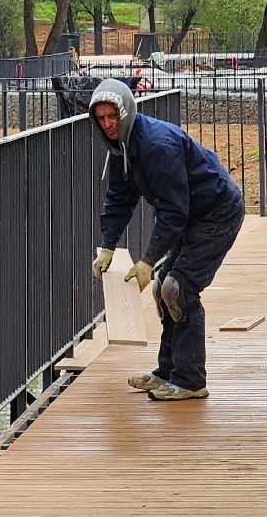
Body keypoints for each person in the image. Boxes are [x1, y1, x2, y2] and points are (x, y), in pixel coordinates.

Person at [88, 78, 244, 401]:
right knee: (162, 286)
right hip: (193, 214)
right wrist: (106, 247)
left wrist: (146, 260)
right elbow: (119, 199)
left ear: (125, 112)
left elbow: (174, 211)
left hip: (217, 212)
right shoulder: (121, 148)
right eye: (101, 119)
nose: (107, 125)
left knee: (179, 288)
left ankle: (190, 380)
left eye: (112, 117)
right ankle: (168, 371)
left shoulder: (157, 146)